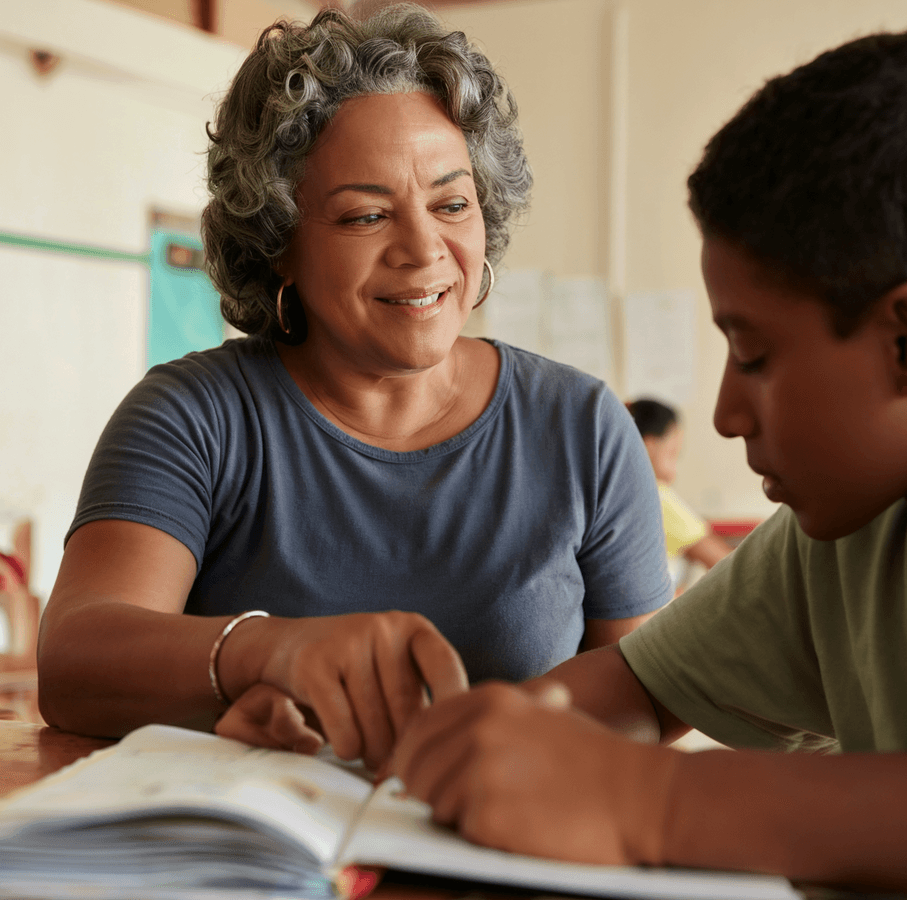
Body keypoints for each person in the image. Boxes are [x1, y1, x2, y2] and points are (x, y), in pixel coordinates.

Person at [389, 29, 907, 899]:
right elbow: (637, 690)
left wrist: (658, 804)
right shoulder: (847, 537)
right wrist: (456, 742)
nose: (730, 413)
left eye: (755, 355)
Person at [36, 4, 670, 771]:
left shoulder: (581, 425)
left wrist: (482, 742)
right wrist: (267, 651)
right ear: (278, 246)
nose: (423, 249)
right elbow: (74, 658)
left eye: (451, 203)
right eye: (366, 215)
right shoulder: (192, 415)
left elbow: (652, 699)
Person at [627, 398, 732, 590]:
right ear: (649, 446)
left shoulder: (612, 492)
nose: (674, 471)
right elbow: (727, 565)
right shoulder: (656, 496)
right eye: (672, 453)